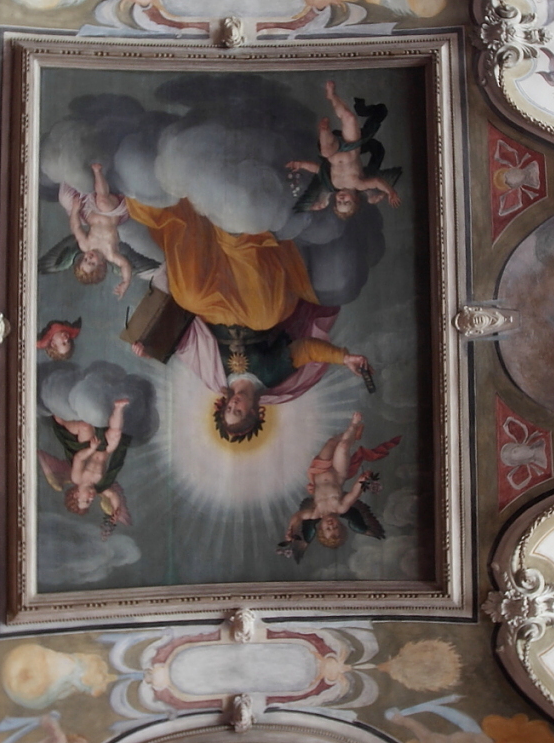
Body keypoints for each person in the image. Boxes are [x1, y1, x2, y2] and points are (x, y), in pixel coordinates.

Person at [83, 163, 373, 442]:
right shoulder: (272, 376)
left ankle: (187, 212)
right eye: (239, 411)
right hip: (258, 308)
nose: (234, 405)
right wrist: (343, 357)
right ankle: (238, 228)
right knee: (266, 314)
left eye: (228, 410)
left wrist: (150, 349)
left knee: (188, 295)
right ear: (254, 412)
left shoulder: (215, 377)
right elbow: (306, 350)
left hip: (215, 313)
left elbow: (188, 344)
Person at [278, 412, 395, 561]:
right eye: (336, 527)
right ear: (340, 524)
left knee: (332, 442)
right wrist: (363, 481)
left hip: (318, 470)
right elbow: (354, 494)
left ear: (321, 528)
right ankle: (353, 425)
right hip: (338, 472)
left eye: (328, 528)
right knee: (343, 446)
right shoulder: (340, 508)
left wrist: (292, 529)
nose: (331, 525)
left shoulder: (315, 513)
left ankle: (353, 434)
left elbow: (298, 516)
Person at [285, 81, 401, 218]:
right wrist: (390, 191)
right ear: (355, 199)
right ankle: (332, 96)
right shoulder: (360, 185)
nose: (341, 199)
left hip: (332, 150)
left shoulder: (332, 185)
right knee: (349, 117)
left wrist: (300, 164)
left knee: (325, 151)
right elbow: (377, 182)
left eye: (339, 202)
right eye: (346, 202)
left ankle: (324, 130)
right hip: (352, 146)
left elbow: (318, 169)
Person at [38, 399, 133, 532]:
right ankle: (118, 407)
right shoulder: (99, 487)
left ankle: (58, 416)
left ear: (76, 495)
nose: (91, 498)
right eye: (90, 502)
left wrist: (91, 449)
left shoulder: (77, 478)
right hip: (105, 449)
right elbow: (112, 495)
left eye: (86, 501)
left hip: (86, 446)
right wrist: (116, 510)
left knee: (84, 427)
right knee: (115, 434)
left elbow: (78, 458)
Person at [57, 164, 136, 296]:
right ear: (101, 265)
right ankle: (97, 170)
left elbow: (76, 227)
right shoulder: (111, 254)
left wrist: (75, 211)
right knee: (102, 202)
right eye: (92, 263)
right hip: (111, 213)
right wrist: (126, 281)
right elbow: (125, 265)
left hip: (90, 211)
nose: (89, 258)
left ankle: (71, 167)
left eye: (85, 260)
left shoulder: (86, 246)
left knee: (65, 198)